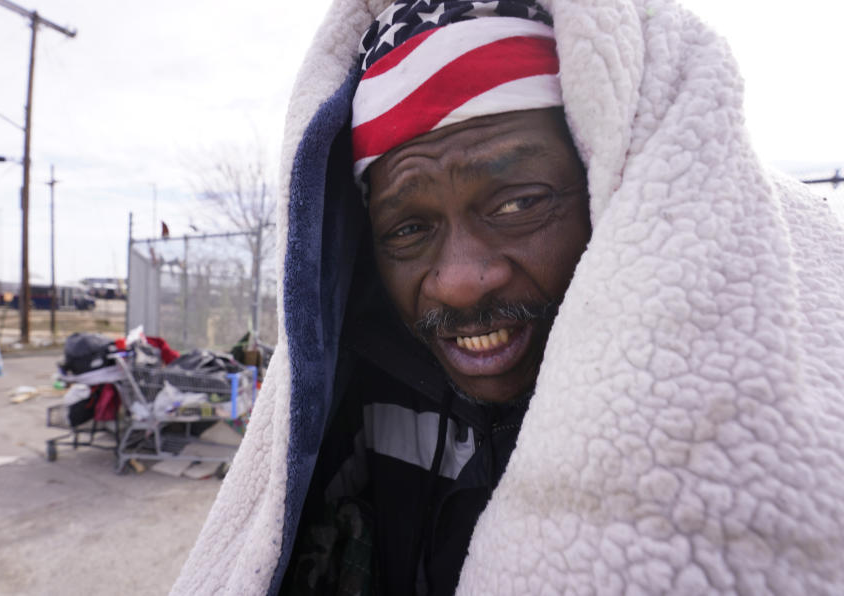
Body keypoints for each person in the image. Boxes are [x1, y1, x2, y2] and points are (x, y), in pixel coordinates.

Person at [172, 1, 844, 594]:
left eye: (519, 202)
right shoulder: (364, 396)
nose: (461, 280)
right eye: (408, 228)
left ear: (610, 182)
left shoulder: (783, 419)